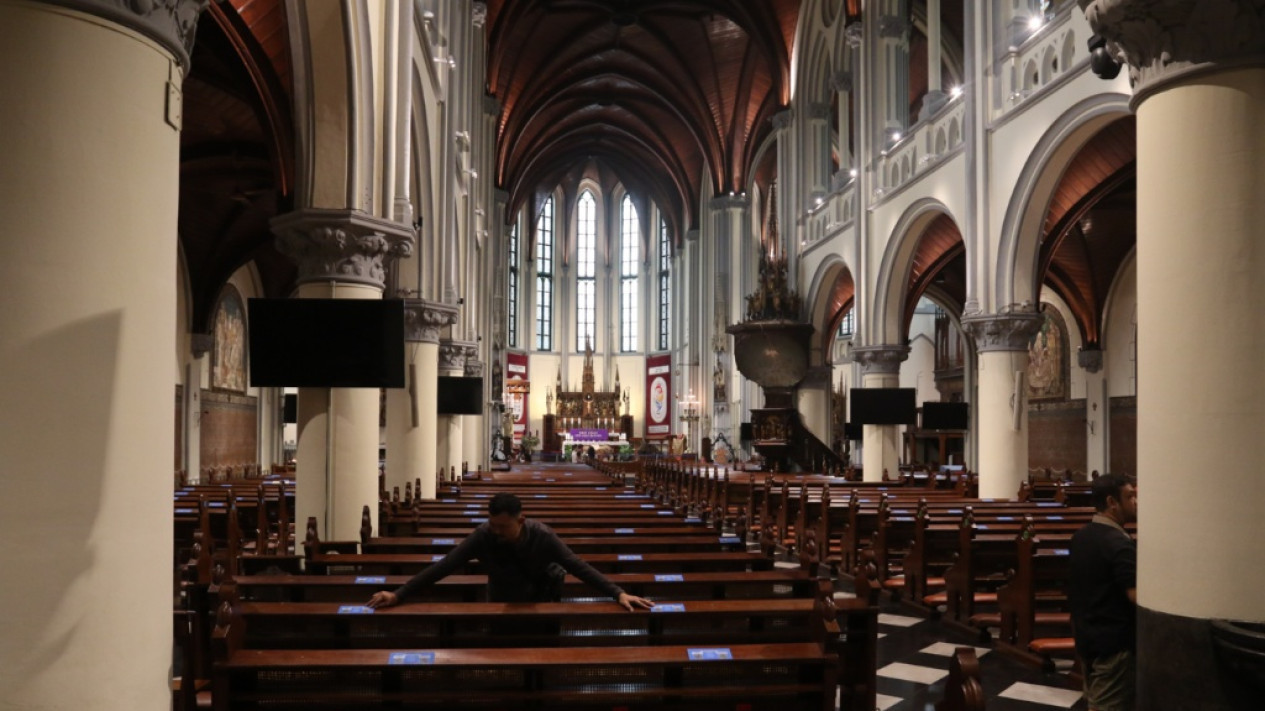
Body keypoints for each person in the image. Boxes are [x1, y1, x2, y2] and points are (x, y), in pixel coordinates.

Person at [367, 493, 653, 611]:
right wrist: (399, 594)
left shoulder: (543, 536)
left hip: (542, 598)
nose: (497, 531)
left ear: (520, 520)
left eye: (503, 526)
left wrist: (618, 593)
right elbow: (444, 566)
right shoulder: (483, 535)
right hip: (501, 598)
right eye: (493, 525)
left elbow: (577, 566)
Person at [1068, 473, 1138, 711]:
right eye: (1130, 496)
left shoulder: (1080, 536)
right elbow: (1134, 595)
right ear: (1112, 502)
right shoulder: (1118, 544)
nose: (1136, 501)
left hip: (1087, 639)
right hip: (1114, 646)